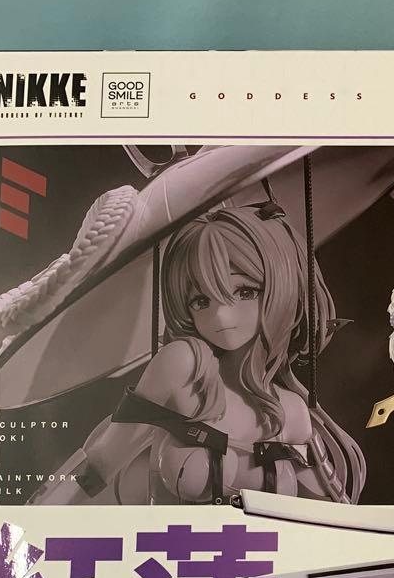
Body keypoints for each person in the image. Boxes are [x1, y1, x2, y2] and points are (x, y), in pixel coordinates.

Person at [33, 203, 365, 505]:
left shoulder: (292, 411)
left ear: (280, 287)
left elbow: (331, 512)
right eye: (201, 301)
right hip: (169, 548)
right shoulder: (184, 366)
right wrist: (26, 526)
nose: (221, 316)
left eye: (244, 291)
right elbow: (100, 463)